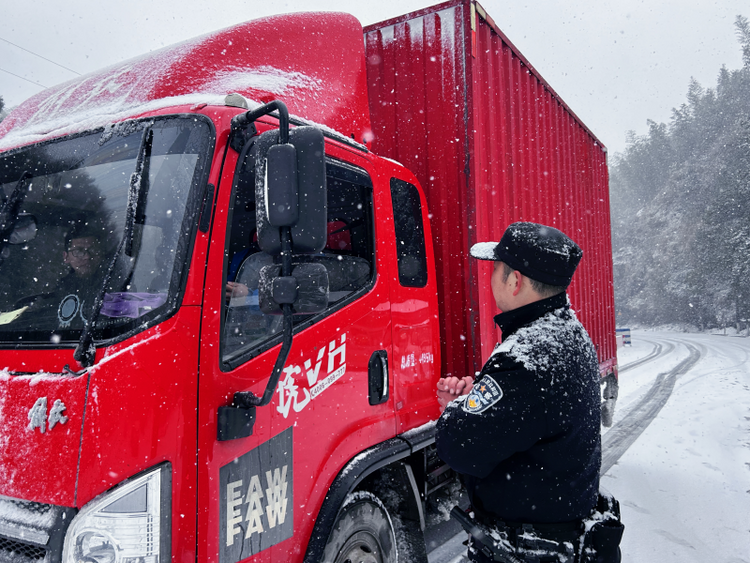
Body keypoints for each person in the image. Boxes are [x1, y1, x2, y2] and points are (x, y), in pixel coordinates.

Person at [435, 222, 622, 563]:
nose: (491, 279)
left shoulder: (527, 357)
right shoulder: (568, 332)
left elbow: (461, 448)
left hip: (529, 549)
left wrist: (453, 410)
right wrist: (477, 402)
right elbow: (527, 417)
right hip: (561, 535)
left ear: (515, 281)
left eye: (496, 270)